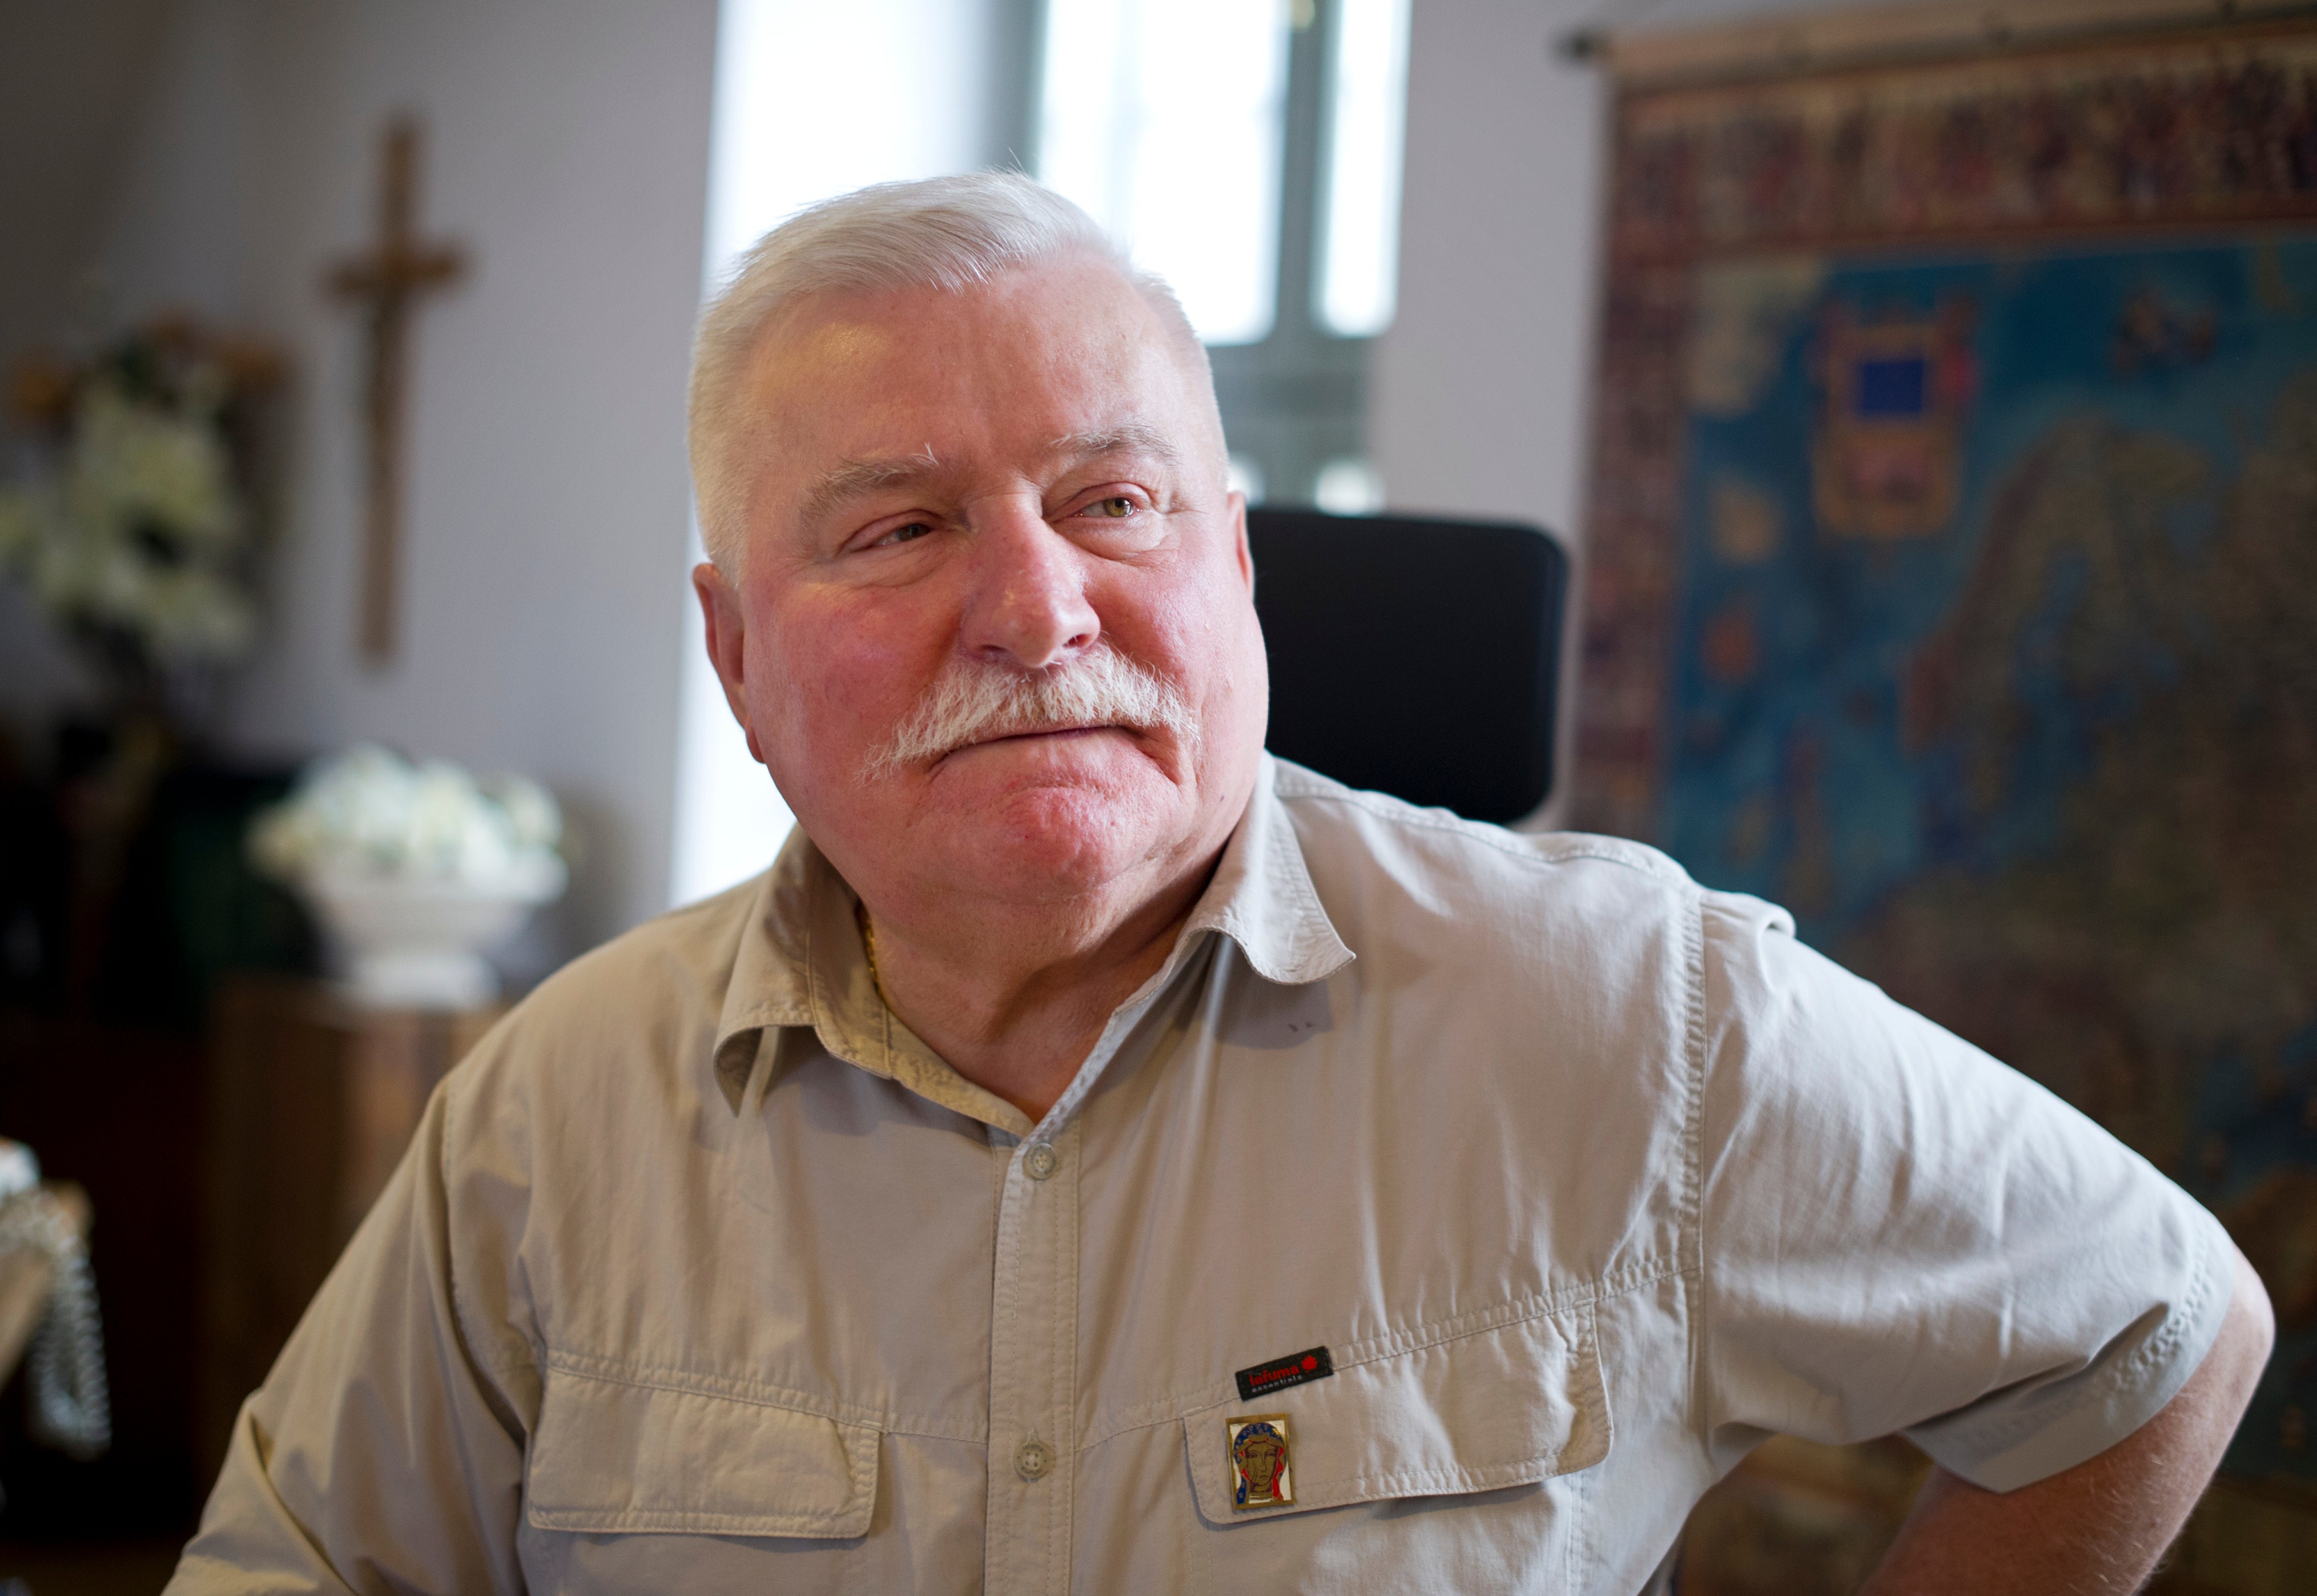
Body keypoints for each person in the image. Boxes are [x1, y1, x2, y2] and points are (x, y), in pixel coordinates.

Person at [166, 173, 2272, 1595]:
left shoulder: (1625, 1013)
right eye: (898, 530)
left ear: (1235, 568)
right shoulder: (561, 1108)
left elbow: (2150, 1335)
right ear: (734, 653)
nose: (1035, 604)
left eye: (1114, 499)